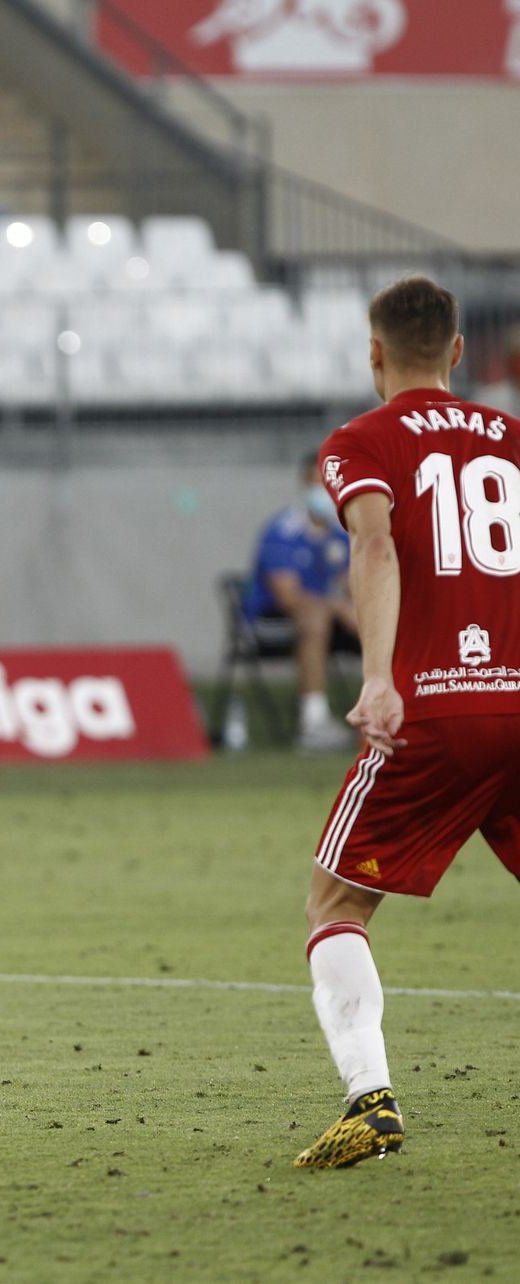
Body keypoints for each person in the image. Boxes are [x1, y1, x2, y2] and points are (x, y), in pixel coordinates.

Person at [295, 275, 520, 1168]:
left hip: (437, 710)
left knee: (336, 902)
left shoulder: (362, 441)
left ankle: (371, 1101)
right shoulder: (512, 438)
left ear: (374, 353)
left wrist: (380, 677)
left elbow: (374, 543)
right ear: (458, 351)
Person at [241, 457, 358, 751]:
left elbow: (354, 583)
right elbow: (287, 596)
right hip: (274, 621)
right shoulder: (283, 531)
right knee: (314, 616)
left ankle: (389, 709)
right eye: (318, 483)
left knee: (379, 617)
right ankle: (313, 720)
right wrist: (336, 606)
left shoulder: (342, 531)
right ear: (305, 485)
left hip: (331, 620)